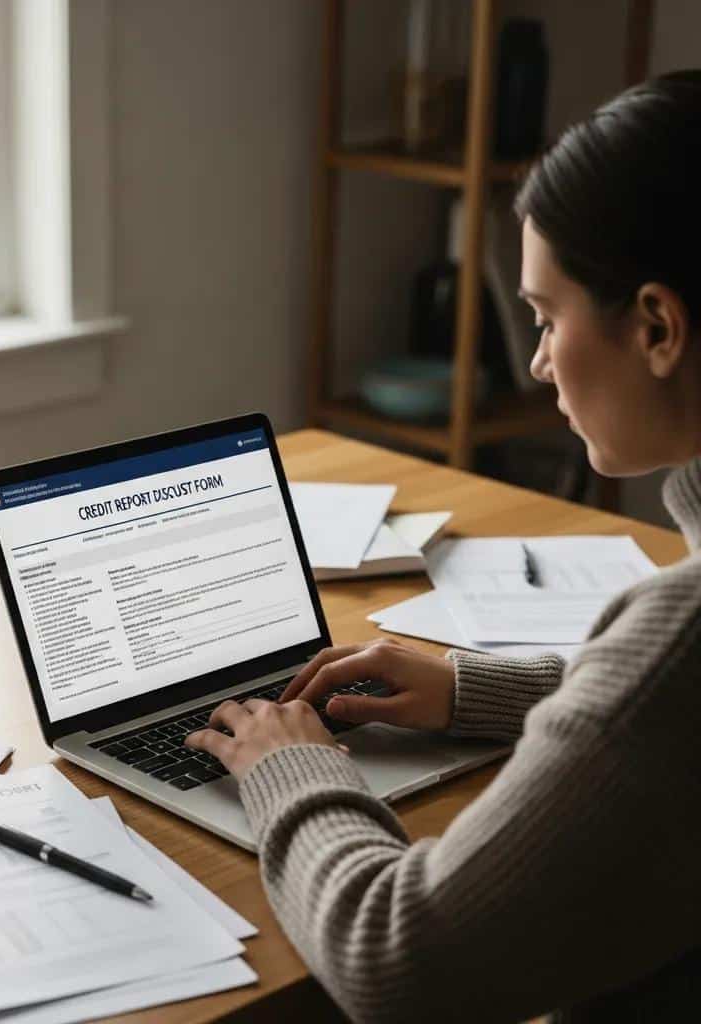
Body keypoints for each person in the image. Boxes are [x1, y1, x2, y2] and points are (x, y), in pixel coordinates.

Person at [185, 71, 701, 1023]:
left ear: (659, 327)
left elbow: (397, 961)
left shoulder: (682, 630)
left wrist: (285, 768)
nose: (539, 361)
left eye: (547, 319)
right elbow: (661, 720)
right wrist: (471, 688)